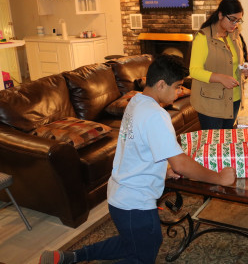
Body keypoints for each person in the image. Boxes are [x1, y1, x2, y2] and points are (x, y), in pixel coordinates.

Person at [39, 54, 236, 264]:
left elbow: (139, 147)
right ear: (161, 84)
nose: (180, 92)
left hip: (120, 195)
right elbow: (181, 163)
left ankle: (69, 257)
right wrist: (218, 178)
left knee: (134, 242)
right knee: (143, 255)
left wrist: (162, 169)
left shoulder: (136, 102)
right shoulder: (156, 115)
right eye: (178, 86)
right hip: (135, 203)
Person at [189, 0, 248, 130]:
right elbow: (194, 70)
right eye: (232, 19)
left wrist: (243, 68)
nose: (235, 24)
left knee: (226, 140)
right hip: (211, 102)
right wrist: (220, 78)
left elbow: (235, 63)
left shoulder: (234, 35)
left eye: (238, 20)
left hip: (233, 99)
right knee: (214, 144)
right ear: (220, 15)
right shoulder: (203, 37)